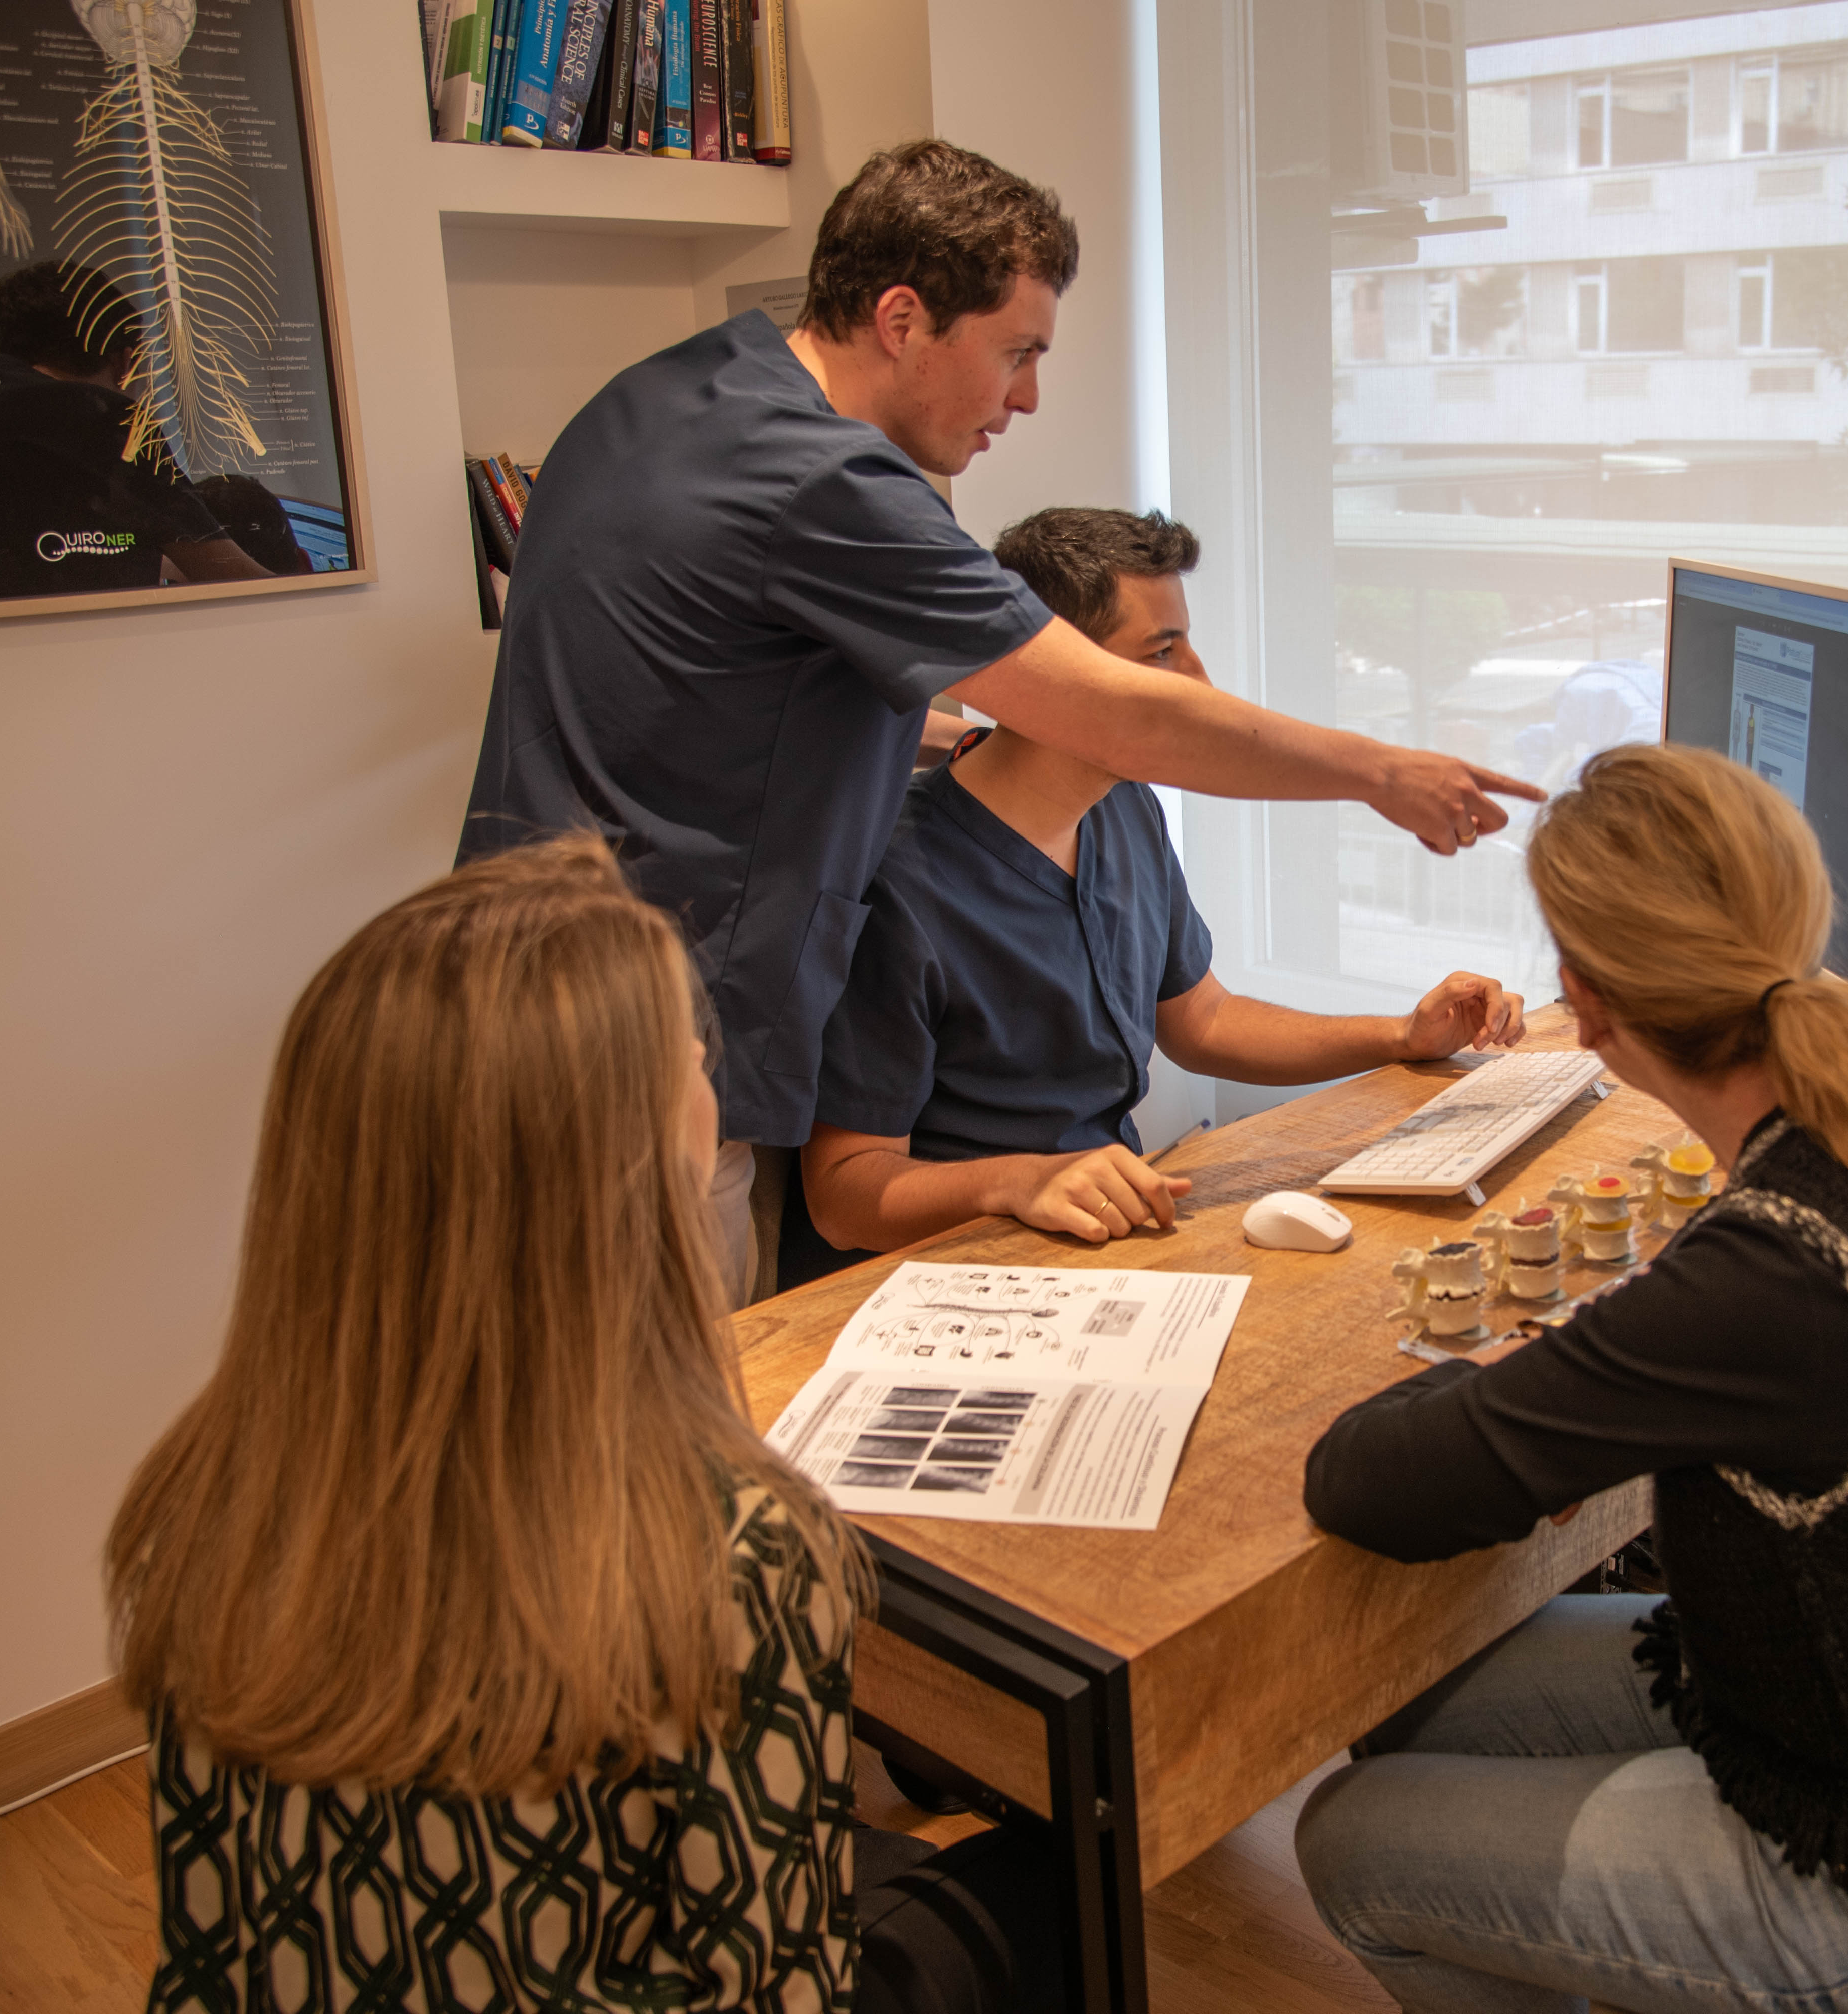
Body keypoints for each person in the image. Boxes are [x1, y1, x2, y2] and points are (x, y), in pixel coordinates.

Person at [455, 141, 1533, 1300]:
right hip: (636, 1061)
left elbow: (712, 693)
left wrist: (934, 740)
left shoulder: (664, 399)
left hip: (508, 1005)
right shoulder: (824, 486)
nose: (1026, 398)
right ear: (904, 318)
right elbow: (1112, 715)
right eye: (1016, 352)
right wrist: (1382, 772)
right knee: (652, 1435)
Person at [1294, 744, 1848, 2012]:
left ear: (1585, 999)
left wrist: (1548, 1362)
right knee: (1410, 1693)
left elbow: (1372, 1484)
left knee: (1351, 1838)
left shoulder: (1779, 1271)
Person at [103, 835, 1060, 2012]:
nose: (712, 1077)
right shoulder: (731, 1551)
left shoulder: (200, 1502)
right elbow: (780, 1988)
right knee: (1051, 1888)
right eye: (690, 1055)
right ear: (621, 1170)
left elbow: (204, 1946)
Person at [800, 507, 1527, 1264]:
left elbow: (1203, 1022)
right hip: (952, 1273)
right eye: (1162, 652)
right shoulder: (892, 875)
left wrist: (1402, 1037)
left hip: (1111, 1239)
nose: (1201, 684)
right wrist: (1017, 1182)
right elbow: (846, 1197)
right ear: (1048, 677)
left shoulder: (1124, 808)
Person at [0, 260, 269, 606]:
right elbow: (231, 576)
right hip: (64, 663)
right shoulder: (102, 417)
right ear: (124, 362)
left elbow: (15, 550)